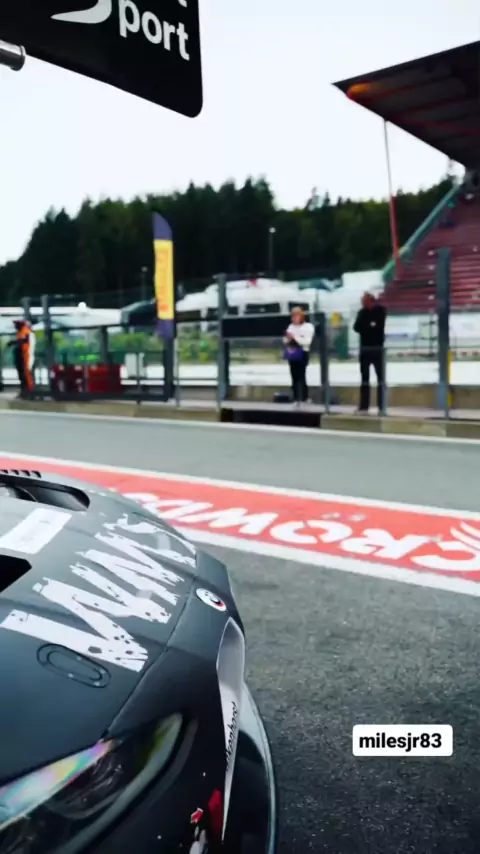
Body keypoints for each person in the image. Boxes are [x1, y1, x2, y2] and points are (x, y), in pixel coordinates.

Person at [353, 293, 386, 414]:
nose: (363, 304)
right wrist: (370, 326)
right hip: (365, 349)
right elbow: (356, 327)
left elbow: (378, 326)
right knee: (364, 378)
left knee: (380, 378)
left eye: (365, 301)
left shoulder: (380, 310)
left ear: (371, 301)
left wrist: (367, 327)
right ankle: (364, 406)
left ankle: (381, 406)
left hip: (377, 349)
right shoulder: (362, 312)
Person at [283, 306, 315, 405]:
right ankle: (296, 397)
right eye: (293, 316)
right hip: (292, 351)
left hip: (303, 351)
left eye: (296, 316)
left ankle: (305, 397)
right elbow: (285, 339)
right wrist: (288, 339)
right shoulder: (291, 327)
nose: (294, 318)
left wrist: (295, 338)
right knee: (294, 375)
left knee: (301, 375)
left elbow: (307, 342)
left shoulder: (308, 326)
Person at [7, 319, 35, 396]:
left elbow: (23, 340)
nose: (15, 326)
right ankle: (24, 390)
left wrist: (13, 342)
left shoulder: (25, 331)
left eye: (16, 325)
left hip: (26, 355)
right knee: (22, 373)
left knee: (26, 373)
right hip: (21, 356)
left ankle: (29, 390)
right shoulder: (20, 332)